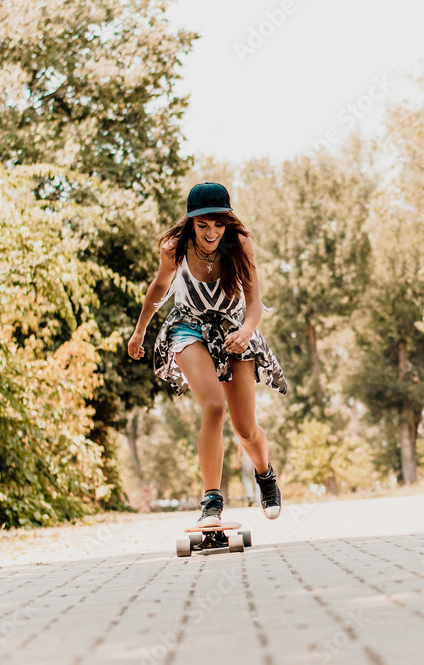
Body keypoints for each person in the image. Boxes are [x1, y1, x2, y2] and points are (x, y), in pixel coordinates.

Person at [127, 182, 287, 526]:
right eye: (203, 225)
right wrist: (140, 329)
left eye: (218, 224)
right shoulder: (175, 248)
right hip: (188, 326)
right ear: (191, 222)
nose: (211, 232)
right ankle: (212, 500)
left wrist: (246, 332)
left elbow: (255, 300)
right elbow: (159, 287)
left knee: (245, 428)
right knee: (214, 406)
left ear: (227, 221)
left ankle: (265, 474)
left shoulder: (240, 244)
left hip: (233, 330)